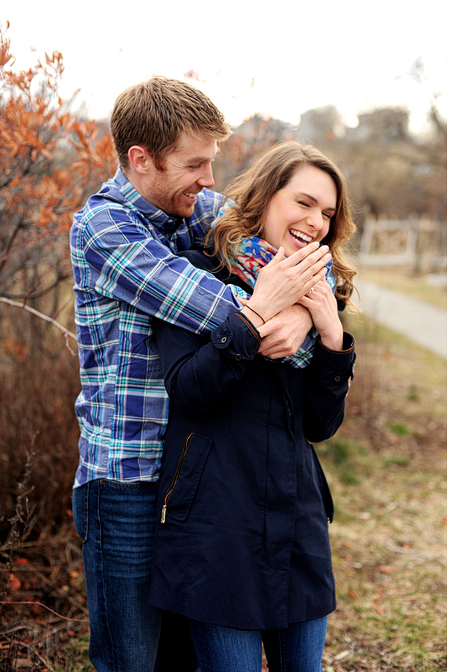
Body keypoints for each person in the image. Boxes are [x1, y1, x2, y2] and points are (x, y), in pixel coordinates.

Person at [69, 77, 330, 671]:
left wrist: (307, 314)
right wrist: (280, 307)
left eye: (210, 163)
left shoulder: (195, 210)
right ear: (140, 160)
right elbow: (223, 308)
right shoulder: (105, 230)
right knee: (132, 660)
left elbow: (290, 250)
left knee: (189, 661)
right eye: (194, 165)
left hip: (193, 488)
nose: (209, 180)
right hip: (127, 484)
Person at [148, 141, 356, 671]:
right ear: (265, 197)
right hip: (216, 525)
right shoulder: (198, 275)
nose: (316, 222)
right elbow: (189, 389)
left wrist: (330, 332)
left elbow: (320, 423)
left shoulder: (323, 294)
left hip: (297, 520)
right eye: (303, 203)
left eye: (328, 213)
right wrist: (257, 312)